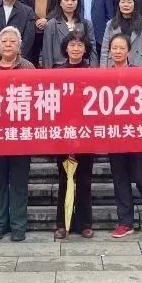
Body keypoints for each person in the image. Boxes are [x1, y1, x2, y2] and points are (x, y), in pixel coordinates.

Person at [104, 34, 142, 237]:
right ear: (109, 51)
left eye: (122, 48)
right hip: (114, 134)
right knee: (119, 178)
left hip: (136, 132)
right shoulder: (102, 76)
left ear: (129, 51)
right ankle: (125, 222)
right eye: (114, 48)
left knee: (140, 174)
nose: (118, 51)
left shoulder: (139, 73)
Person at [0, 26, 36, 241]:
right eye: (4, 41)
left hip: (21, 134)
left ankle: (18, 225)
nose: (7, 45)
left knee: (18, 182)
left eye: (12, 41)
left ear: (19, 46)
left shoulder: (28, 68)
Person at [54, 31, 96, 239]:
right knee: (64, 178)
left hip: (86, 133)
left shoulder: (93, 73)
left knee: (84, 179)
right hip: (63, 133)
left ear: (85, 49)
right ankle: (62, 224)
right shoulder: (57, 72)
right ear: (66, 48)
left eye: (80, 45)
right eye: (72, 45)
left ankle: (84, 223)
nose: (76, 48)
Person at [41, 0, 96, 67]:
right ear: (60, 3)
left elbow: (92, 49)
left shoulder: (86, 24)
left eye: (73, 0)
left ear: (78, 3)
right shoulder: (52, 24)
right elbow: (47, 52)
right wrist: (48, 71)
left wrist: (93, 68)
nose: (70, 3)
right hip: (59, 67)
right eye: (66, 0)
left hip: (82, 67)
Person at [100, 0, 142, 66]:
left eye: (129, 2)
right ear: (119, 4)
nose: (126, 5)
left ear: (135, 4)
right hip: (114, 65)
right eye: (123, 2)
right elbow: (104, 50)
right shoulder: (111, 24)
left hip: (138, 64)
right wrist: (103, 69)